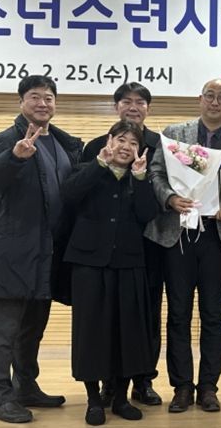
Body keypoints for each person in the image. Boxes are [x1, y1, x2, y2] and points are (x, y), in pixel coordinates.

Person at [0, 75, 82, 423]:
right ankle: (0, 397)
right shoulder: (7, 139)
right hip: (14, 252)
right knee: (5, 330)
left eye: (48, 97)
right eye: (35, 97)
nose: (42, 103)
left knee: (34, 327)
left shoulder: (63, 144)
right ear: (21, 102)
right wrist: (14, 157)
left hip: (48, 253)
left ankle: (26, 386)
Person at [145, 78, 221, 414]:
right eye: (210, 95)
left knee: (212, 315)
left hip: (215, 236)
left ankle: (208, 387)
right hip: (177, 234)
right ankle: (181, 387)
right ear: (199, 99)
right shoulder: (175, 134)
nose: (215, 102)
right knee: (178, 313)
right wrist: (170, 198)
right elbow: (156, 174)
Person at [62, 120, 158, 426]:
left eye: (133, 143)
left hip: (129, 264)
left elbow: (148, 214)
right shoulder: (88, 169)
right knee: (91, 333)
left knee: (127, 334)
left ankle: (120, 399)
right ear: (109, 141)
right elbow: (69, 195)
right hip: (89, 265)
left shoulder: (139, 178)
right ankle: (94, 400)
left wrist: (140, 177)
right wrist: (99, 164)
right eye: (121, 140)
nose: (126, 147)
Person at [81, 82, 164, 407]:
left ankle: (143, 381)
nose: (133, 107)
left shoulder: (161, 146)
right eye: (126, 101)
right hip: (102, 251)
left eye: (140, 102)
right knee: (105, 319)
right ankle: (108, 386)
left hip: (149, 245)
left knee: (145, 316)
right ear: (116, 107)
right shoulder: (96, 147)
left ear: (148, 108)